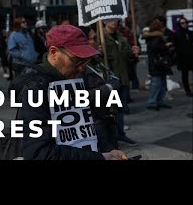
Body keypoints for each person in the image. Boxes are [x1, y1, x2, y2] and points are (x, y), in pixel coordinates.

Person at [12, 25, 127, 160]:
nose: (81, 68)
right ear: (54, 52)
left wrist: (108, 150)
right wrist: (100, 157)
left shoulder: (71, 80)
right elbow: (41, 153)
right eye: (76, 61)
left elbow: (86, 127)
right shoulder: (35, 90)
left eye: (84, 61)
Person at [103, 20, 140, 146]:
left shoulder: (121, 38)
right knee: (110, 110)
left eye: (116, 19)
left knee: (120, 109)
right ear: (104, 21)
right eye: (111, 19)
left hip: (122, 79)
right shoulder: (101, 38)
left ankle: (121, 134)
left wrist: (134, 53)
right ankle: (111, 137)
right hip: (109, 80)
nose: (114, 22)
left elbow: (129, 57)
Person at [143, 16, 175, 110]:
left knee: (161, 83)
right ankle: (152, 102)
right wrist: (166, 46)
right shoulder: (156, 36)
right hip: (157, 63)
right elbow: (155, 48)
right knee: (156, 83)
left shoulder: (153, 36)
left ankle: (159, 101)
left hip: (157, 63)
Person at [174, 16, 193, 96]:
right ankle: (187, 91)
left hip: (191, 56)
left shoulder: (190, 32)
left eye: (185, 22)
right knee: (185, 75)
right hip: (183, 58)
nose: (184, 24)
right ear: (179, 24)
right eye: (182, 23)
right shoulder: (177, 34)